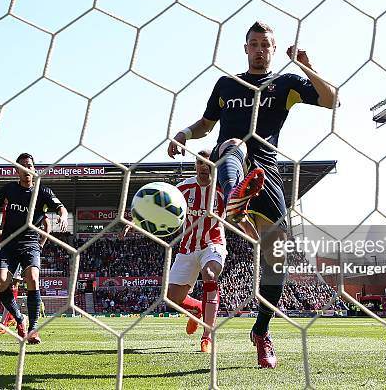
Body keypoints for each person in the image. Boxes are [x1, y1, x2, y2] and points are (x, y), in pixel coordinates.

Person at [168, 21, 336, 368]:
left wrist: (306, 66)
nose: (260, 49)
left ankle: (261, 332)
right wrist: (184, 134)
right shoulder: (226, 84)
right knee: (232, 144)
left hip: (267, 172)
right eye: (254, 43)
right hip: (229, 162)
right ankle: (234, 200)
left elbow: (332, 100)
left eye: (266, 44)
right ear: (245, 48)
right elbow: (206, 125)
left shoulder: (286, 84)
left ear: (274, 50)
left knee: (276, 263)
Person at [122, 149, 226, 353]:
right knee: (172, 298)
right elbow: (157, 206)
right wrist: (135, 221)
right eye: (199, 162)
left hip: (213, 243)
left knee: (210, 274)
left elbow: (239, 210)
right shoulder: (183, 189)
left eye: (207, 162)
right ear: (195, 165)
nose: (203, 166)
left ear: (215, 165)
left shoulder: (223, 189)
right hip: (186, 248)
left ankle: (207, 336)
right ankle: (197, 309)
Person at [0, 153, 68, 344]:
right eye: (23, 166)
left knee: (32, 278)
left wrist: (63, 216)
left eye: (30, 165)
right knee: (0, 281)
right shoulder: (9, 189)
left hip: (30, 244)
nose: (27, 169)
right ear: (17, 170)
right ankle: (19, 318)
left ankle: (33, 329)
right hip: (9, 244)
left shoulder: (44, 192)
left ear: (34, 170)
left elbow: (61, 208)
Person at [0, 205, 52, 336]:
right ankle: (15, 318)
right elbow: (4, 228)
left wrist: (41, 244)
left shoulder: (30, 201)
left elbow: (46, 223)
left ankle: (6, 323)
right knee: (3, 283)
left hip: (26, 248)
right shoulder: (6, 208)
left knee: (14, 284)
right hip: (9, 248)